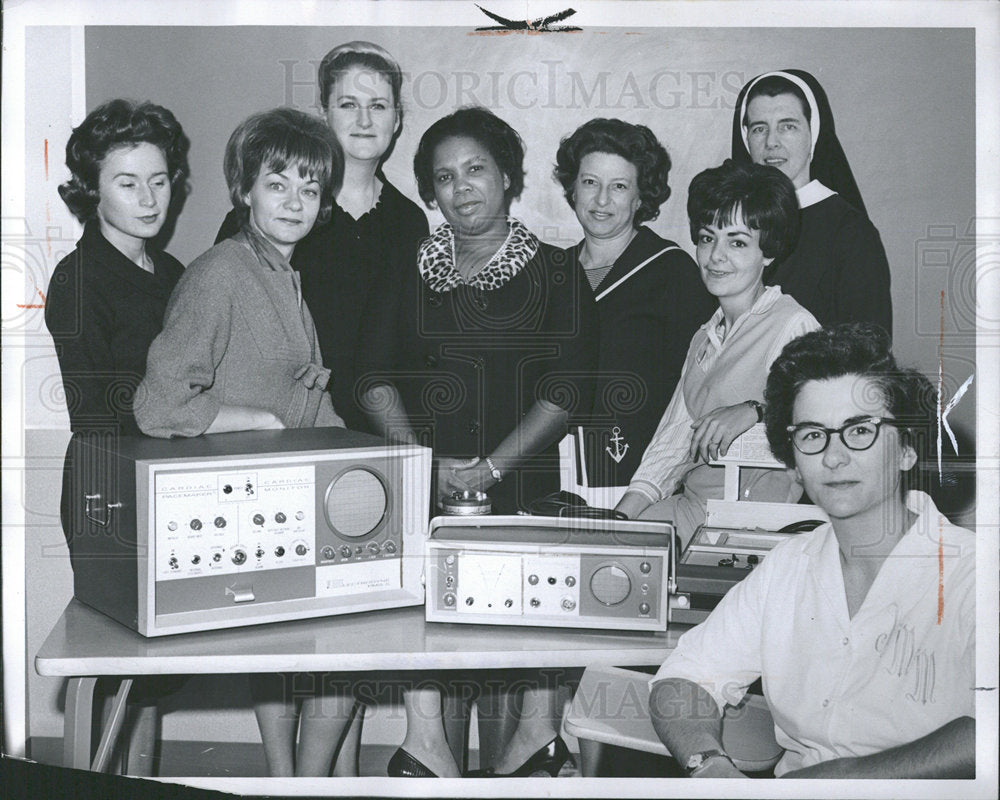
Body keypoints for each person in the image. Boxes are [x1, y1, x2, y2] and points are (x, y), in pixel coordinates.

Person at [362, 106, 598, 777]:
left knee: (522, 632)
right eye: (444, 177)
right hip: (427, 491)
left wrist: (489, 468)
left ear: (507, 178)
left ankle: (533, 745)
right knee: (426, 623)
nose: (461, 187)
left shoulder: (556, 272)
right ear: (431, 193)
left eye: (476, 170)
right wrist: (424, 465)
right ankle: (428, 749)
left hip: (521, 489)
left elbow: (566, 389)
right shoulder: (406, 271)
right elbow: (372, 377)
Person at [648, 324, 975, 778]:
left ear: (907, 450)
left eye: (860, 431)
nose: (834, 457)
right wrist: (709, 764)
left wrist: (837, 779)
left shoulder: (976, 573)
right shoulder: (785, 567)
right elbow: (683, 678)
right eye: (813, 435)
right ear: (795, 466)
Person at [135, 108, 350, 777]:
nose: (294, 201)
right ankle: (300, 787)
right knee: (327, 659)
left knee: (325, 660)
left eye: (309, 189)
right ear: (245, 188)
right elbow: (158, 402)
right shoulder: (222, 273)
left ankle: (294, 786)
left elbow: (306, 397)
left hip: (285, 504)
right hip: (241, 510)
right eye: (278, 183)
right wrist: (259, 420)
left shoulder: (284, 273)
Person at [44, 98, 190, 777]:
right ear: (90, 190)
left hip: (174, 483)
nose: (149, 197)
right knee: (114, 662)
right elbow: (99, 408)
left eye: (159, 180)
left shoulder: (174, 275)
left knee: (156, 674)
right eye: (128, 182)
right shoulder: (77, 279)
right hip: (110, 487)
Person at [215, 41, 428, 433]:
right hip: (281, 426)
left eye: (378, 106)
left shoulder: (409, 222)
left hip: (377, 430)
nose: (364, 119)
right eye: (348, 104)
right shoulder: (277, 213)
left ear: (397, 119)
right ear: (323, 114)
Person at [615, 160, 819, 547]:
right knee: (615, 552)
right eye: (708, 238)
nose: (716, 256)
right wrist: (619, 518)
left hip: (757, 521)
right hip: (694, 508)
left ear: (769, 252)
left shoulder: (792, 323)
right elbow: (672, 445)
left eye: (738, 242)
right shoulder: (702, 339)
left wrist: (754, 410)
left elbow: (820, 424)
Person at [553, 118, 716, 497]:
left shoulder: (671, 271)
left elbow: (698, 390)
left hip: (638, 482)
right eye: (590, 182)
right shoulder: (551, 272)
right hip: (553, 478)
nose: (602, 200)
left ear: (641, 196)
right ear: (573, 188)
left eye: (619, 186)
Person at [731, 70, 892, 333]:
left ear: (813, 135)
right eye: (759, 128)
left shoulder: (851, 233)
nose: (772, 142)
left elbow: (867, 352)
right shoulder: (730, 226)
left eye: (788, 126)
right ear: (746, 139)